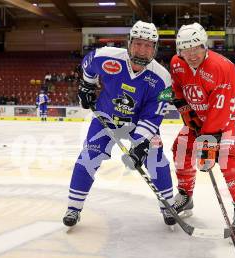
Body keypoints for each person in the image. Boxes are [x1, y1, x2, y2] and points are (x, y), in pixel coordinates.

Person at [63, 21, 176, 227]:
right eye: (138, 44)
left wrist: (141, 143)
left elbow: (153, 116)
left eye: (148, 45)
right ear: (129, 43)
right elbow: (89, 62)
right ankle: (73, 208)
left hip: (139, 123)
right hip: (105, 117)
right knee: (88, 157)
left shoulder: (162, 79)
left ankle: (168, 207)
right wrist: (87, 85)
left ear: (155, 48)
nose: (142, 50)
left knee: (156, 161)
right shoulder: (106, 56)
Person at [169, 22, 235, 240]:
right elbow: (178, 91)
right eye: (186, 49)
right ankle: (185, 195)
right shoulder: (177, 64)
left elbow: (221, 107)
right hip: (201, 117)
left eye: (196, 47)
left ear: (204, 45)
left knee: (228, 157)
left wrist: (208, 142)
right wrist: (189, 116)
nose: (192, 54)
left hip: (229, 117)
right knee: (181, 148)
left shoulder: (222, 66)